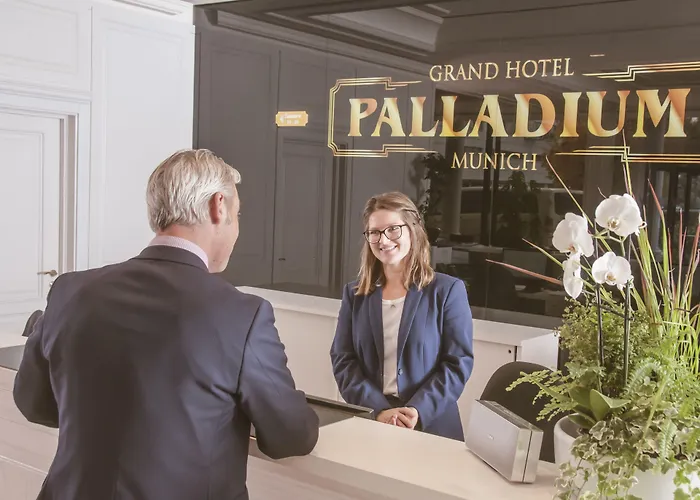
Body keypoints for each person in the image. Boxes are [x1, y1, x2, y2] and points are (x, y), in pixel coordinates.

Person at [13, 149, 319, 500]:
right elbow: (290, 436)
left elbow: (32, 402)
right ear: (218, 206)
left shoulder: (70, 290)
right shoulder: (242, 314)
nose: (236, 228)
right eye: (237, 214)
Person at [330, 191, 474, 441]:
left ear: (413, 230)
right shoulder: (355, 294)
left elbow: (457, 363)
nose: (383, 240)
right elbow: (343, 360)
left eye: (393, 229)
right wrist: (379, 410)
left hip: (431, 426)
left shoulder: (447, 290)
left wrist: (416, 411)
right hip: (372, 423)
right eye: (374, 232)